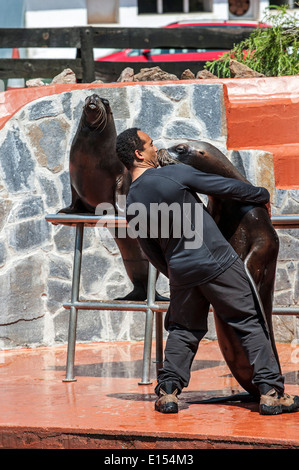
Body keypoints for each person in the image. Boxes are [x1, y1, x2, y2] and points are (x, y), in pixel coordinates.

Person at [115, 127, 299, 416]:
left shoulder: (133, 201)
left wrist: (174, 271)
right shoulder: (172, 174)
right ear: (139, 154)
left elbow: (148, 249)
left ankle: (168, 393)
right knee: (248, 320)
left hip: (181, 271)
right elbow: (222, 186)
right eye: (150, 145)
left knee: (183, 330)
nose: (155, 149)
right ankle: (271, 393)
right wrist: (260, 194)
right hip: (216, 262)